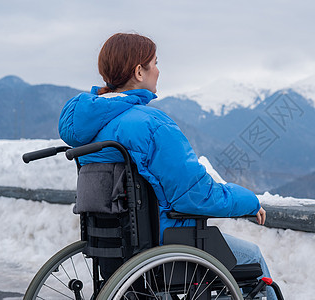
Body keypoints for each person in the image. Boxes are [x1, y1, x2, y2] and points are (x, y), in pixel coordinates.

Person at [58, 32, 276, 299]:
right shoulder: (151, 125)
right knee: (251, 256)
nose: (158, 71)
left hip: (111, 249)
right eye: (155, 63)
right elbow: (196, 196)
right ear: (139, 71)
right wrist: (250, 202)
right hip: (163, 246)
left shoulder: (87, 132)